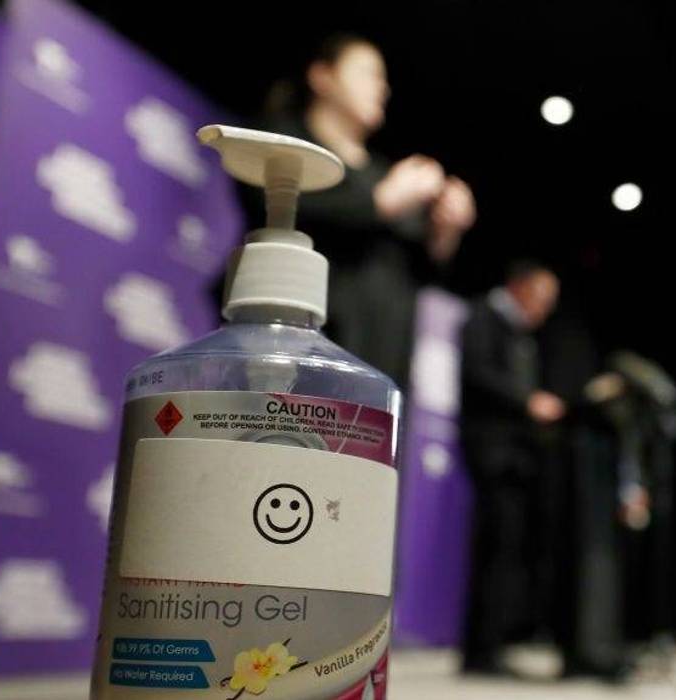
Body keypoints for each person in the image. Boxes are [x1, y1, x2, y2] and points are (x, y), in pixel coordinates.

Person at [248, 33, 476, 386]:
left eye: (384, 79)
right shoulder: (284, 144)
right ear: (322, 76)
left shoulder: (384, 174)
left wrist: (446, 229)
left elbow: (424, 266)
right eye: (369, 73)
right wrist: (382, 202)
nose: (382, 88)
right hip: (293, 353)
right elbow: (275, 207)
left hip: (380, 361)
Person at [459, 261, 564, 675]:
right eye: (542, 298)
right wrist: (528, 401)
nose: (545, 310)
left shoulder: (521, 334)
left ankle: (492, 646)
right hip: (491, 451)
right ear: (520, 288)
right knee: (494, 549)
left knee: (508, 551)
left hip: (516, 453)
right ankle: (481, 652)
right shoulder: (483, 316)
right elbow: (476, 373)